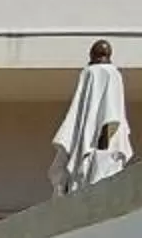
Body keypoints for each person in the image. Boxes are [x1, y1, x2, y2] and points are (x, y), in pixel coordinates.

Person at [51, 40, 134, 194]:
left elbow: (111, 118)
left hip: (105, 151)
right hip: (96, 148)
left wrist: (102, 143)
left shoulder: (103, 74)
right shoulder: (100, 73)